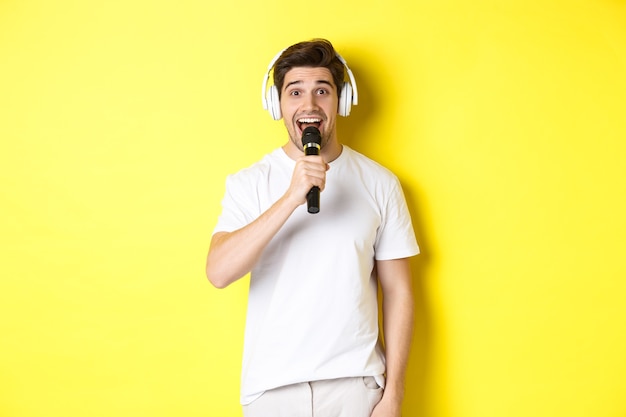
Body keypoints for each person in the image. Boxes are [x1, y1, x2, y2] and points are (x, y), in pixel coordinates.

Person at [206, 38, 419, 417]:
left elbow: (399, 291)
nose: (309, 105)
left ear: (342, 100)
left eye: (322, 90)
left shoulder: (380, 183)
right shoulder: (248, 183)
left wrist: (394, 396)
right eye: (295, 92)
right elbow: (219, 272)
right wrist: (291, 197)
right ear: (277, 104)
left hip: (356, 387)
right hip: (272, 390)